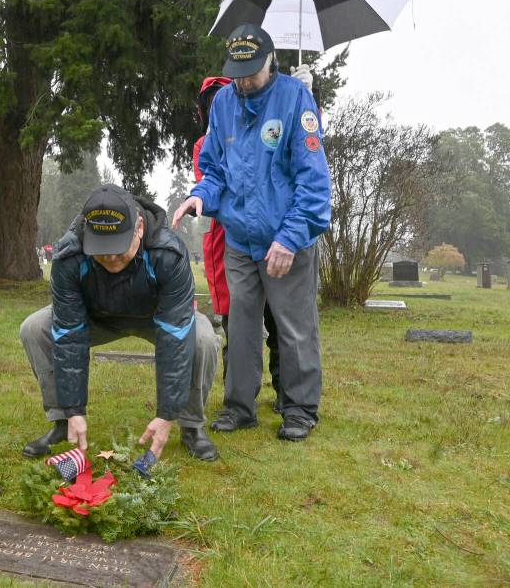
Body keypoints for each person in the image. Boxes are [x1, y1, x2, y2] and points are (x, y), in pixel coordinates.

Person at [173, 24, 331, 441]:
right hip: (241, 239)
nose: (244, 80)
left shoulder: (297, 100)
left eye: (251, 71)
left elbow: (313, 184)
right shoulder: (224, 103)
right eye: (237, 71)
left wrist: (290, 237)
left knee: (294, 327)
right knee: (240, 326)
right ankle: (239, 407)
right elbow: (215, 167)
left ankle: (299, 410)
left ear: (270, 62)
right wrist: (200, 197)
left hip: (287, 240)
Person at [20, 184, 220, 462]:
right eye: (101, 250)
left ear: (138, 228)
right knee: (35, 328)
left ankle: (191, 426)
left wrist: (166, 414)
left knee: (202, 338)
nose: (111, 258)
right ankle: (63, 422)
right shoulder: (70, 255)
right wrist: (74, 408)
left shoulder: (168, 252)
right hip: (96, 317)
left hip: (156, 317)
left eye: (117, 247)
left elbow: (176, 332)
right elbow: (68, 332)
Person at [191, 76, 284, 413]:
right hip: (228, 241)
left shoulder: (262, 131)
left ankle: (285, 394)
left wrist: (313, 101)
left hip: (270, 235)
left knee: (278, 319)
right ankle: (239, 399)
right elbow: (214, 184)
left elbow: (294, 151)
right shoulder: (205, 145)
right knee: (237, 324)